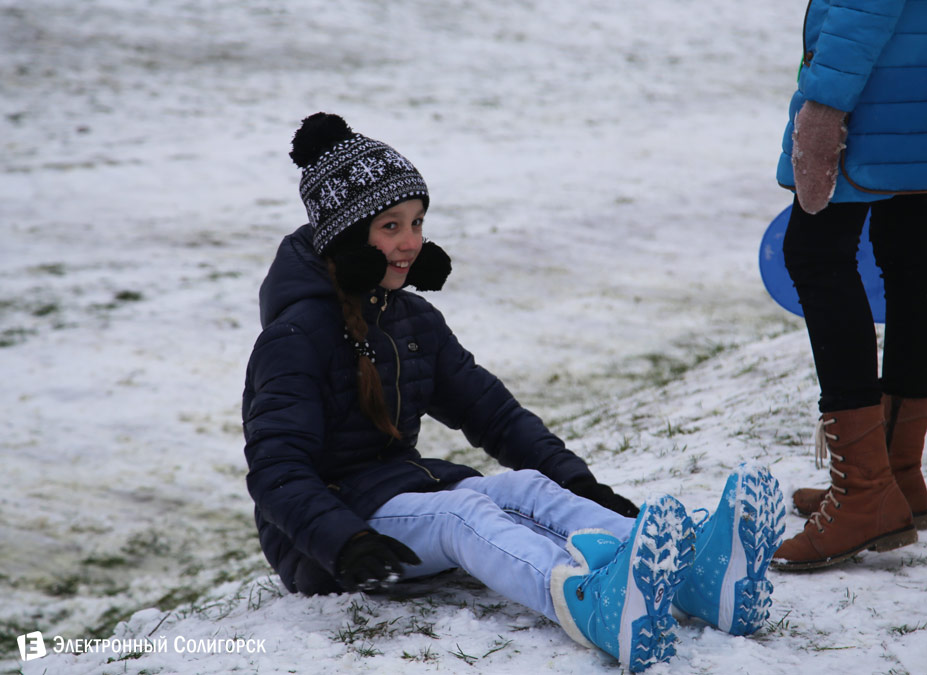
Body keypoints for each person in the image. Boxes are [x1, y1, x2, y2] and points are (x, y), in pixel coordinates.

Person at [242, 113, 786, 670]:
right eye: (391, 227)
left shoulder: (410, 320)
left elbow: (493, 413)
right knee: (461, 517)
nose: (411, 243)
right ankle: (590, 604)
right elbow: (275, 468)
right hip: (333, 540)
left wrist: (579, 483)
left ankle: (696, 577)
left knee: (524, 486)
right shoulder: (295, 338)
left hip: (401, 494)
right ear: (348, 237)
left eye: (418, 222)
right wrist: (345, 542)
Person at [770, 0, 927, 571]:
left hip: (880, 83)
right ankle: (897, 476)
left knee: (813, 254)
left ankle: (864, 493)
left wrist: (825, 101)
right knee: (909, 253)